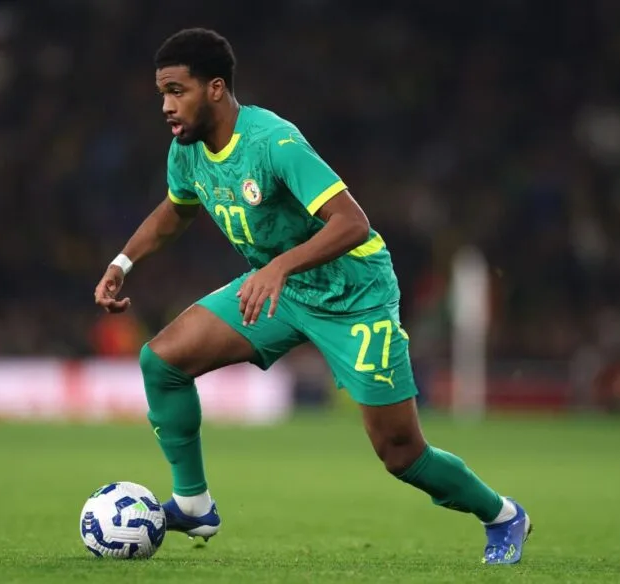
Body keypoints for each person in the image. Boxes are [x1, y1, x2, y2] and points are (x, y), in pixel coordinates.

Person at [93, 28, 532, 565]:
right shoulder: (186, 151)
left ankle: (502, 515)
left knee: (399, 452)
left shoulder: (273, 143)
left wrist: (278, 266)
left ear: (215, 88)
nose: (166, 105)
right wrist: (122, 263)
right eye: (162, 93)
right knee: (162, 361)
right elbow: (175, 210)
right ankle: (193, 504)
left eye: (176, 91)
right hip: (283, 289)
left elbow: (352, 222)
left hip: (354, 294)